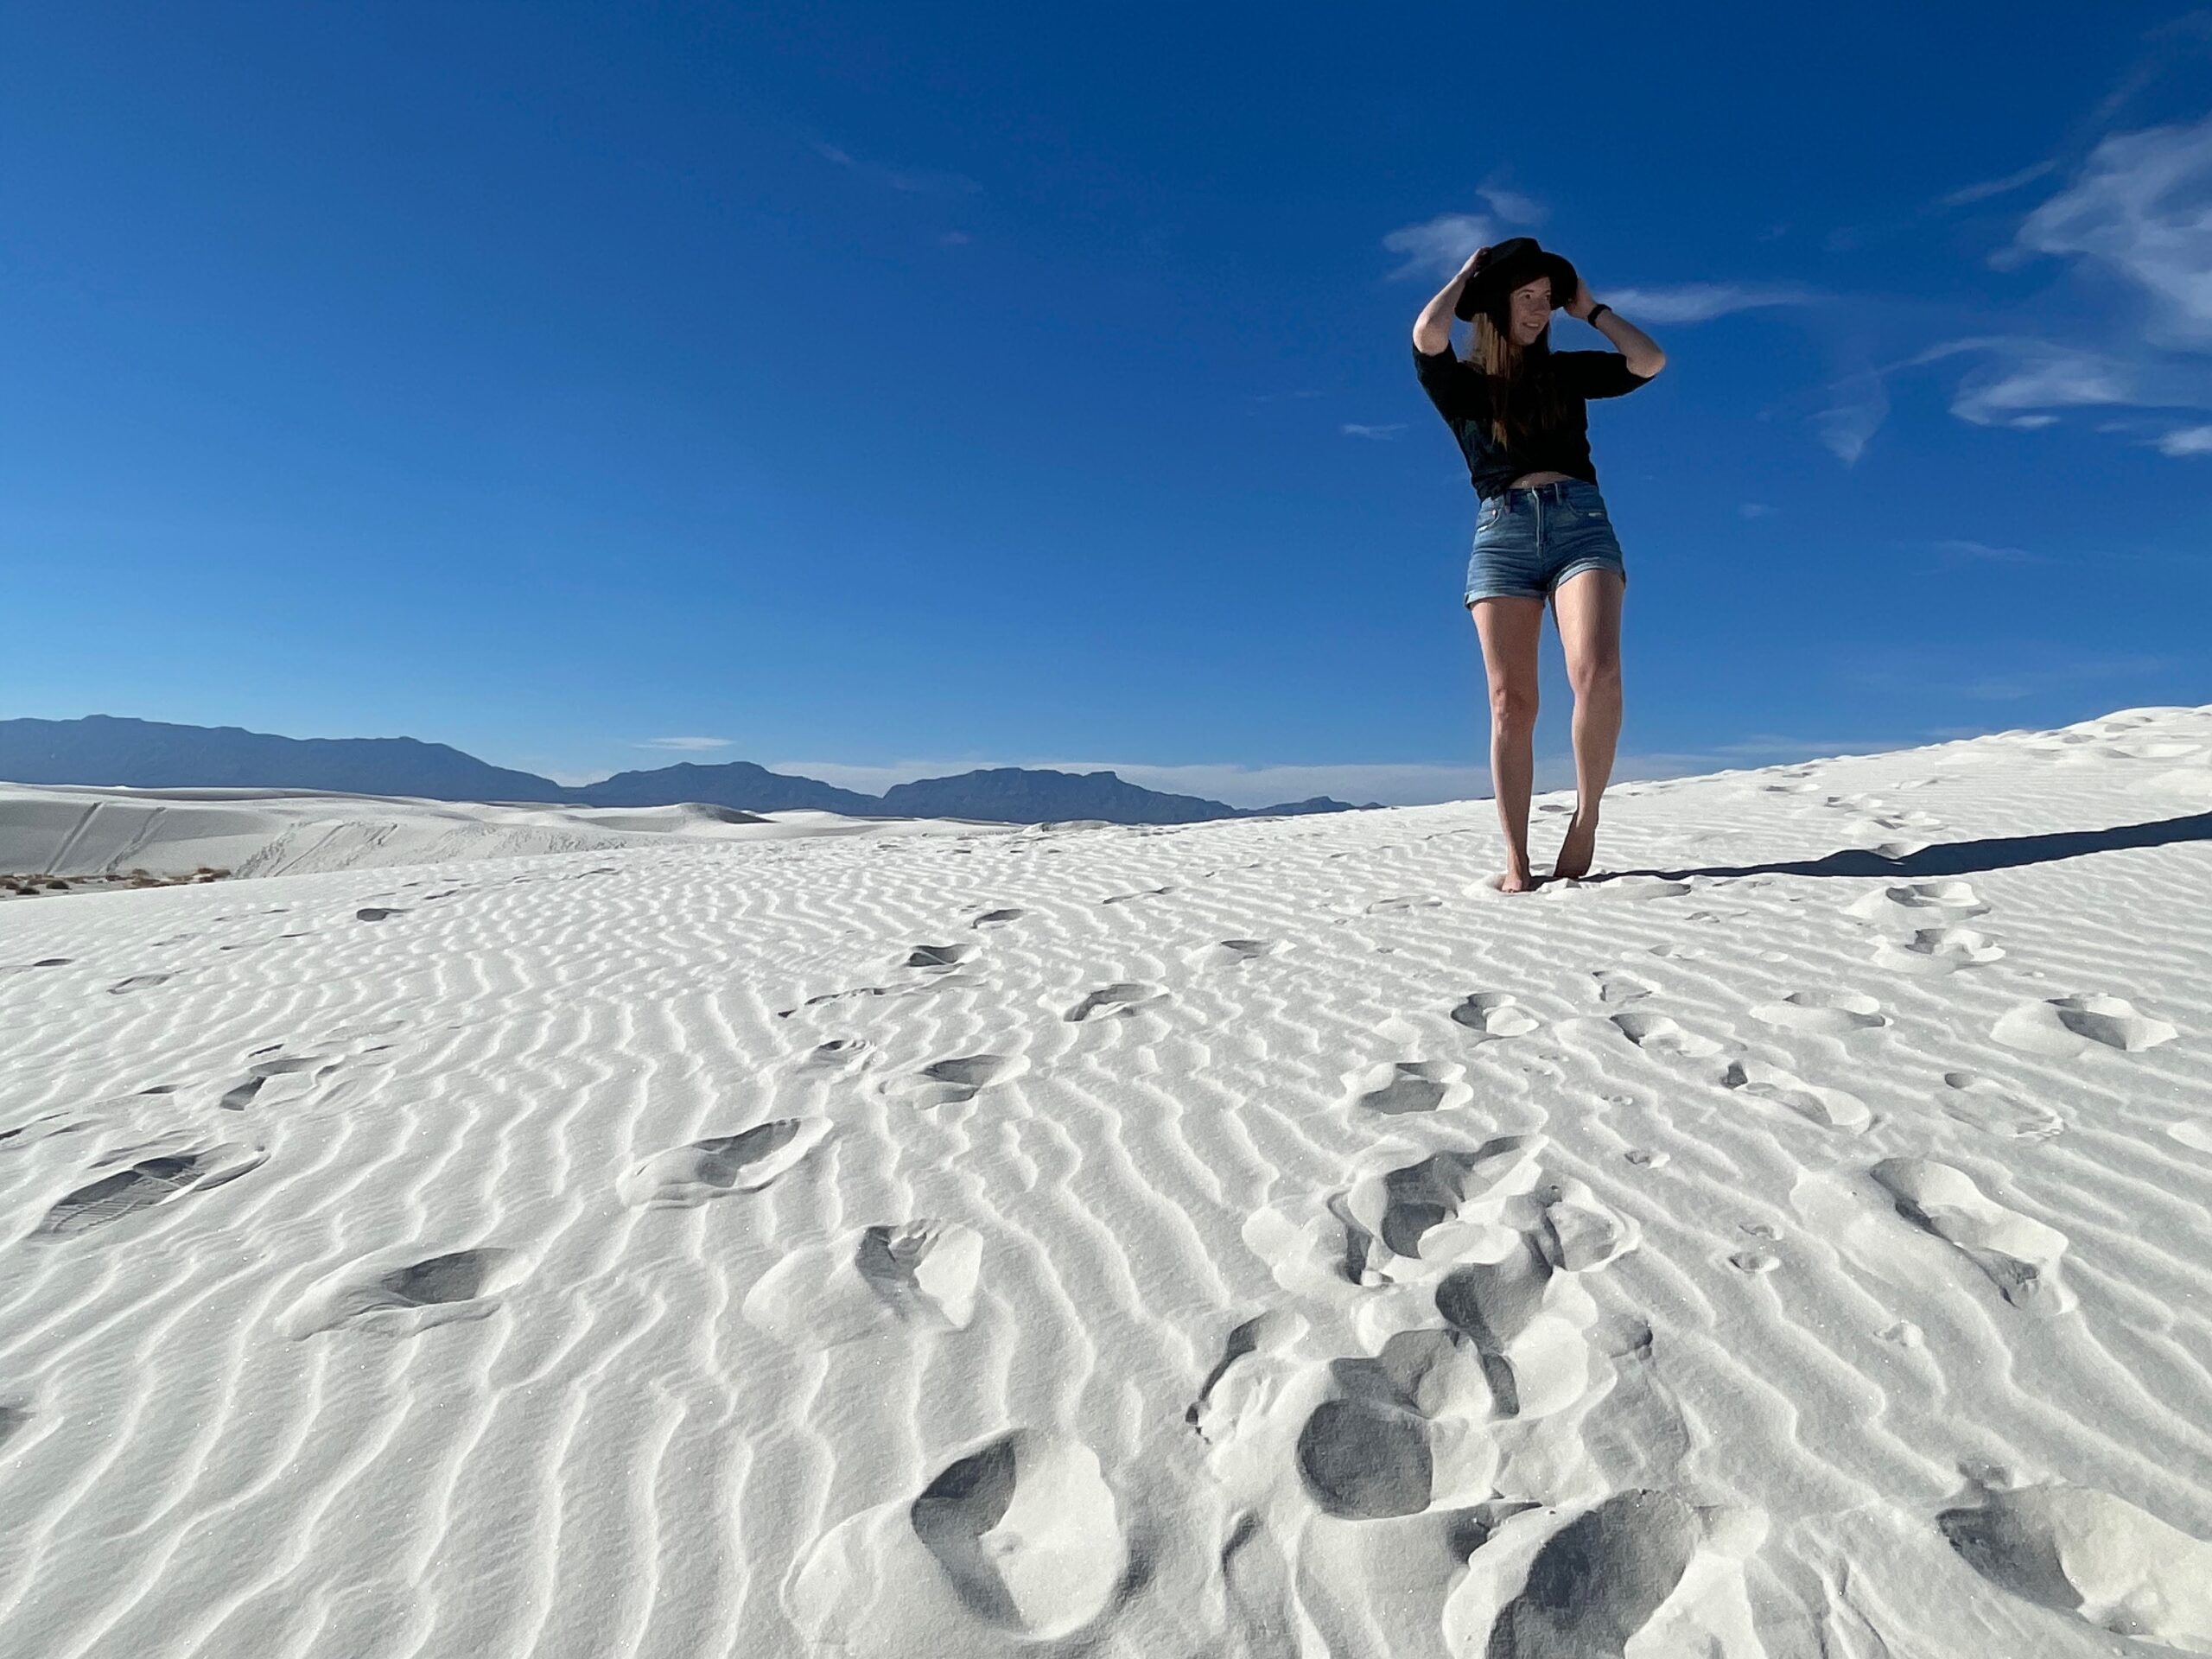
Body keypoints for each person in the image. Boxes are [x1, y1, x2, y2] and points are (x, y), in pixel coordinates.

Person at [1410, 236, 1665, 891]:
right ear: (1494, 304)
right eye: (1527, 298)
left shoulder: (1567, 371)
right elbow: (1426, 335)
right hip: (1502, 534)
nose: (1539, 310)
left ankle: (1586, 818)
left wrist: (1593, 310)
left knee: (1598, 673)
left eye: (1547, 301)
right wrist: (1467, 273)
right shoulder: (1462, 387)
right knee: (1510, 704)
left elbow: (1649, 360)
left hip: (1581, 525)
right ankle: (1517, 860)